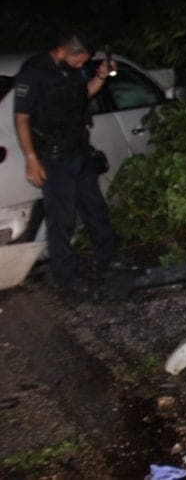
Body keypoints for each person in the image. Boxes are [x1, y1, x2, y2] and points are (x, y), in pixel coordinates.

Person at [13, 31, 119, 299]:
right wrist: (31, 159)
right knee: (62, 220)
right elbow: (21, 118)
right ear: (65, 51)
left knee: (95, 209)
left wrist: (100, 76)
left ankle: (109, 262)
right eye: (79, 61)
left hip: (80, 152)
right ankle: (66, 279)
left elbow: (84, 94)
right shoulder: (35, 72)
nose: (81, 65)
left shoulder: (72, 70)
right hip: (54, 158)